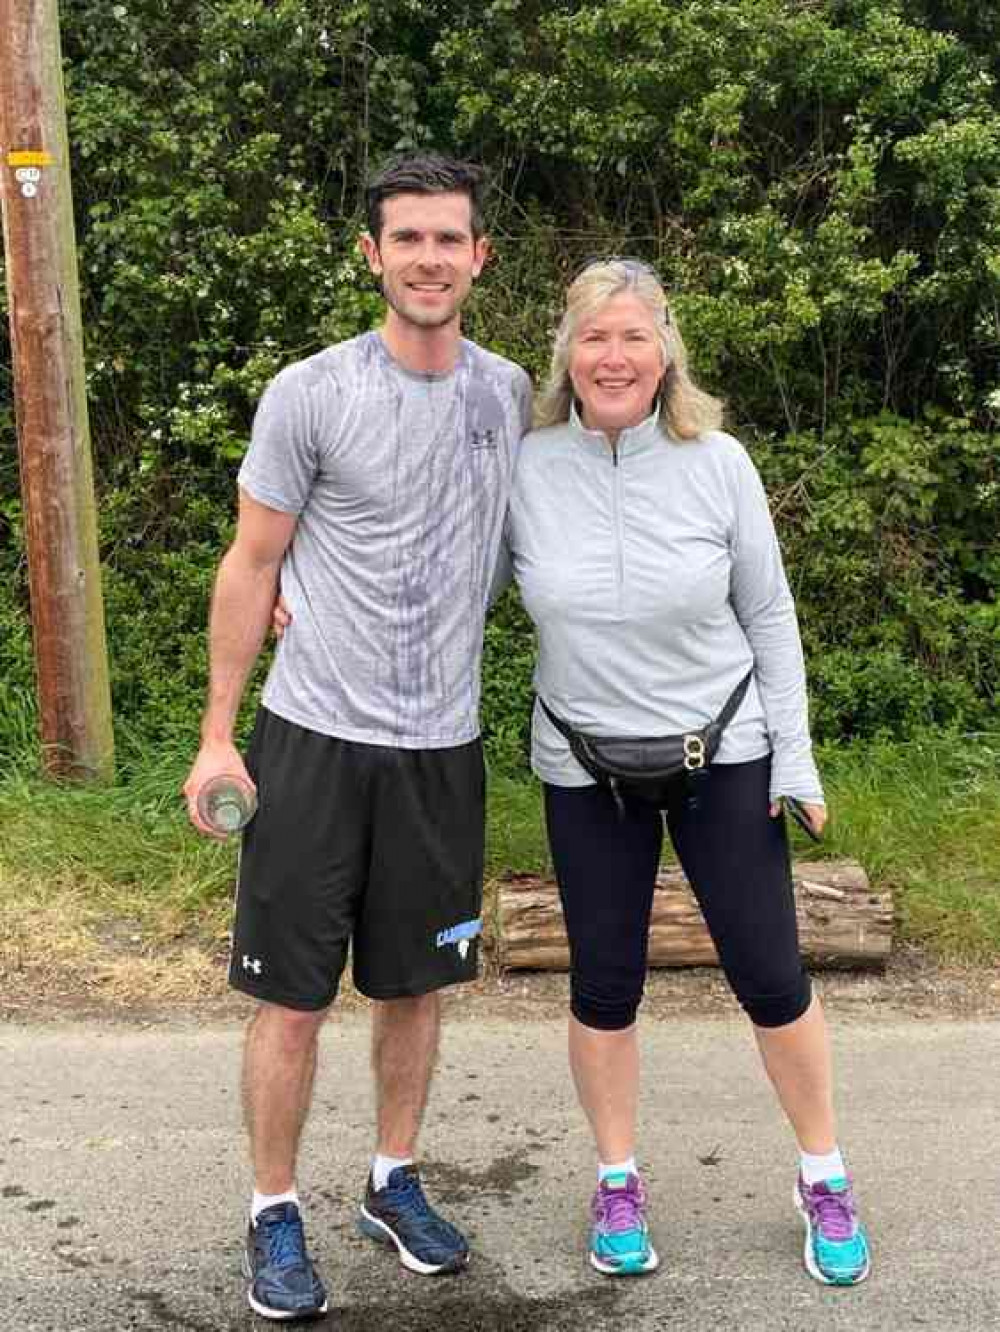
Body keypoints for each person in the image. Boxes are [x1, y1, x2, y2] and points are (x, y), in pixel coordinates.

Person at [183, 153, 533, 1321]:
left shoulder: (507, 393)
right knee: (291, 998)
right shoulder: (309, 392)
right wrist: (217, 737)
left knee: (415, 984)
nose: (429, 258)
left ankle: (392, 1179)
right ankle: (273, 1209)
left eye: (450, 239)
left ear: (479, 255)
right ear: (371, 254)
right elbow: (252, 561)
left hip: (442, 748)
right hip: (314, 738)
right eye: (408, 239)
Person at [500, 259, 871, 1286]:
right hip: (582, 766)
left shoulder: (719, 462)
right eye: (591, 337)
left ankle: (823, 1174)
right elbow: (450, 584)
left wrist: (793, 758)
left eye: (631, 337)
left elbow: (769, 619)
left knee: (771, 977)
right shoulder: (526, 465)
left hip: (726, 756)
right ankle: (616, 1177)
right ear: (564, 355)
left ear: (665, 352)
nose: (611, 357)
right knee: (604, 985)